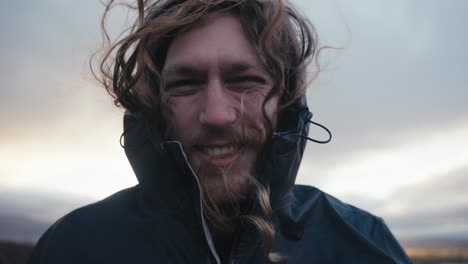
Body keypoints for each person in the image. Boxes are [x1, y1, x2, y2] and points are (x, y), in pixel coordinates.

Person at [29, 0, 412, 263]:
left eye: (244, 81)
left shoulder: (362, 244)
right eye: (185, 84)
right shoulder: (74, 245)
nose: (216, 115)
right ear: (154, 103)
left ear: (287, 102)